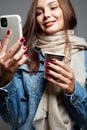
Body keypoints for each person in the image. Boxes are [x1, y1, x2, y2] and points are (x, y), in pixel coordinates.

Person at [0, 0, 87, 130]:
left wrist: (74, 90)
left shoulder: (84, 57)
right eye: (39, 12)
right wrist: (4, 79)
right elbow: (15, 120)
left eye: (53, 7)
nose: (46, 15)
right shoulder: (23, 58)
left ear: (66, 11)